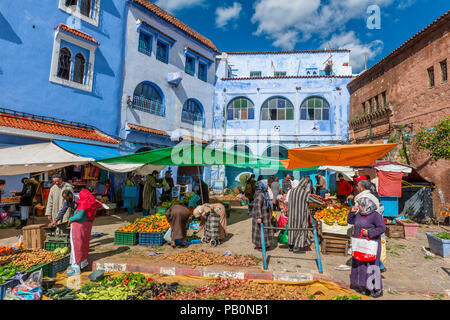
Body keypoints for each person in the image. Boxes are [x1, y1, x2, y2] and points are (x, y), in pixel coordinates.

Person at [348, 180, 386, 298]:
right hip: (361, 244)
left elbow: (382, 228)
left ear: (366, 203)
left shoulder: (375, 215)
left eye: (359, 204)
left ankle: (377, 289)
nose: (358, 206)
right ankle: (365, 287)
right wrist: (352, 212)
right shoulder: (360, 214)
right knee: (362, 266)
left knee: (373, 266)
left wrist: (369, 232)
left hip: (372, 244)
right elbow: (350, 221)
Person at [66, 189, 102, 275]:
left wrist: (71, 219)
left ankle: (76, 267)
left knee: (76, 246)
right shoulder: (92, 203)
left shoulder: (83, 203)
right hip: (87, 226)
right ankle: (83, 264)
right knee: (84, 245)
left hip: (78, 227)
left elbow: (80, 215)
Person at [287, 178, 324, 253]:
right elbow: (313, 199)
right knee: (300, 230)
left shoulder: (292, 191)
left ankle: (291, 245)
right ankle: (296, 247)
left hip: (291, 214)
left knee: (292, 229)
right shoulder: (304, 193)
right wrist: (322, 202)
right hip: (300, 215)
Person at [251, 180, 275, 251]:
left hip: (265, 216)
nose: (267, 186)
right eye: (266, 185)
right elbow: (257, 206)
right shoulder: (259, 194)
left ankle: (266, 245)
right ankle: (260, 246)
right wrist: (259, 217)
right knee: (260, 231)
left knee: (266, 231)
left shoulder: (265, 193)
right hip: (261, 216)